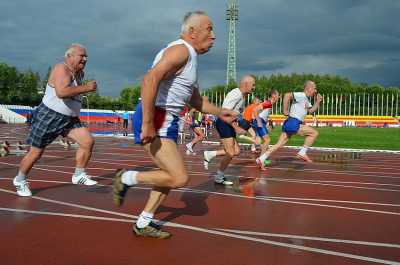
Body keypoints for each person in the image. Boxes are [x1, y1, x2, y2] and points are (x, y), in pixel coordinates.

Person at [112, 11, 236, 239]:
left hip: (166, 122)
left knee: (168, 175)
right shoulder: (180, 50)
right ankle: (126, 178)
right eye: (209, 29)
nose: (214, 36)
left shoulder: (189, 58)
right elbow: (149, 79)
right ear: (192, 32)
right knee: (179, 177)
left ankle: (143, 222)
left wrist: (222, 112)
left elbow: (196, 101)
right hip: (156, 118)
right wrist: (148, 122)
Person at [12, 44, 97, 197]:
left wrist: (83, 87)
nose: (85, 59)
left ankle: (78, 175)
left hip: (69, 119)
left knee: (88, 142)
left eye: (86, 56)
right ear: (69, 56)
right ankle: (20, 180)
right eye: (81, 55)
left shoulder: (80, 74)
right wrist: (86, 88)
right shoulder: (61, 69)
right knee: (36, 153)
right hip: (50, 116)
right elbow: (62, 92)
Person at [203, 75, 256, 184]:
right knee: (230, 153)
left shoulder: (242, 96)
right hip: (223, 123)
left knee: (236, 151)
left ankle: (210, 154)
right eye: (253, 85)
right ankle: (219, 176)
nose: (254, 87)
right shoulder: (236, 94)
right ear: (246, 84)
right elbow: (223, 112)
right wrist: (236, 127)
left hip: (228, 124)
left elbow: (237, 115)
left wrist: (246, 127)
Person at [257, 80, 323, 165]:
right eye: (314, 88)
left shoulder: (306, 99)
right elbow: (287, 95)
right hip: (294, 123)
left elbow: (311, 110)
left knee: (279, 144)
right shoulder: (301, 95)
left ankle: (261, 158)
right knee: (314, 133)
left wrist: (317, 102)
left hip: (289, 123)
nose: (315, 91)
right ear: (308, 88)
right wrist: (285, 110)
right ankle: (302, 152)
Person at [252, 90, 280, 170]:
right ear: (273, 95)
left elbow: (262, 113)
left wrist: (266, 122)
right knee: (267, 140)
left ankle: (261, 159)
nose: (279, 97)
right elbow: (255, 110)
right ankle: (262, 159)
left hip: (261, 122)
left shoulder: (269, 104)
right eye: (278, 95)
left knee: (265, 140)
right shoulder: (268, 103)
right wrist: (259, 121)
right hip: (259, 122)